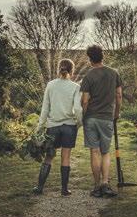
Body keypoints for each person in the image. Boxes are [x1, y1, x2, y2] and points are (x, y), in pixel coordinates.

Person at [33, 59, 83, 196]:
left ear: (58, 69)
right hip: (69, 127)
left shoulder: (50, 85)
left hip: (53, 127)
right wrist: (78, 123)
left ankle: (39, 188)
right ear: (72, 71)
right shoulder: (75, 87)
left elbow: (45, 108)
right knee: (65, 157)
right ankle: (64, 189)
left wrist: (40, 127)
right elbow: (78, 110)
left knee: (48, 157)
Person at [81, 45, 122, 197]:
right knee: (105, 152)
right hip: (107, 118)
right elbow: (118, 95)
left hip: (91, 118)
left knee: (94, 151)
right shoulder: (114, 73)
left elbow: (85, 100)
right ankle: (105, 183)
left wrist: (83, 117)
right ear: (102, 56)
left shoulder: (89, 76)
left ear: (90, 59)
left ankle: (97, 187)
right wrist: (116, 114)